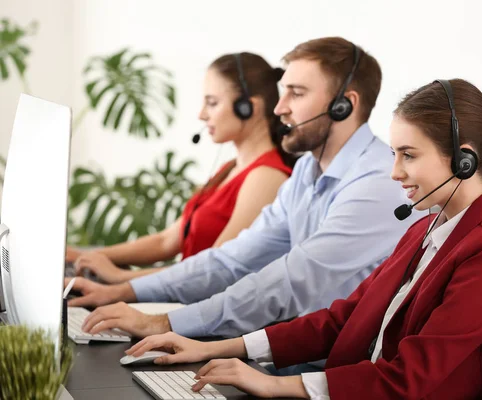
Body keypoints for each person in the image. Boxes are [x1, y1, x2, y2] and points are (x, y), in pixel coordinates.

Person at [126, 78, 482, 399]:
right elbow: (343, 317)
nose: (394, 172)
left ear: (463, 160)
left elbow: (409, 380)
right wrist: (220, 348)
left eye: (408, 155)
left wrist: (276, 386)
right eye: (394, 153)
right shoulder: (427, 228)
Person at [65, 37, 424, 340]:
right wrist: (124, 292)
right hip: (289, 358)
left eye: (296, 94)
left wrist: (164, 323)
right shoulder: (305, 175)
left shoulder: (379, 181)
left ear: (345, 104)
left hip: (335, 373)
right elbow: (232, 259)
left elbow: (290, 280)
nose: (280, 108)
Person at [66, 52, 295, 284]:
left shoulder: (265, 177)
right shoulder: (231, 168)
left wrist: (122, 278)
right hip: (184, 301)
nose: (202, 114)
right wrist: (87, 257)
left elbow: (215, 270)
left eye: (212, 103)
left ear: (248, 107)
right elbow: (167, 241)